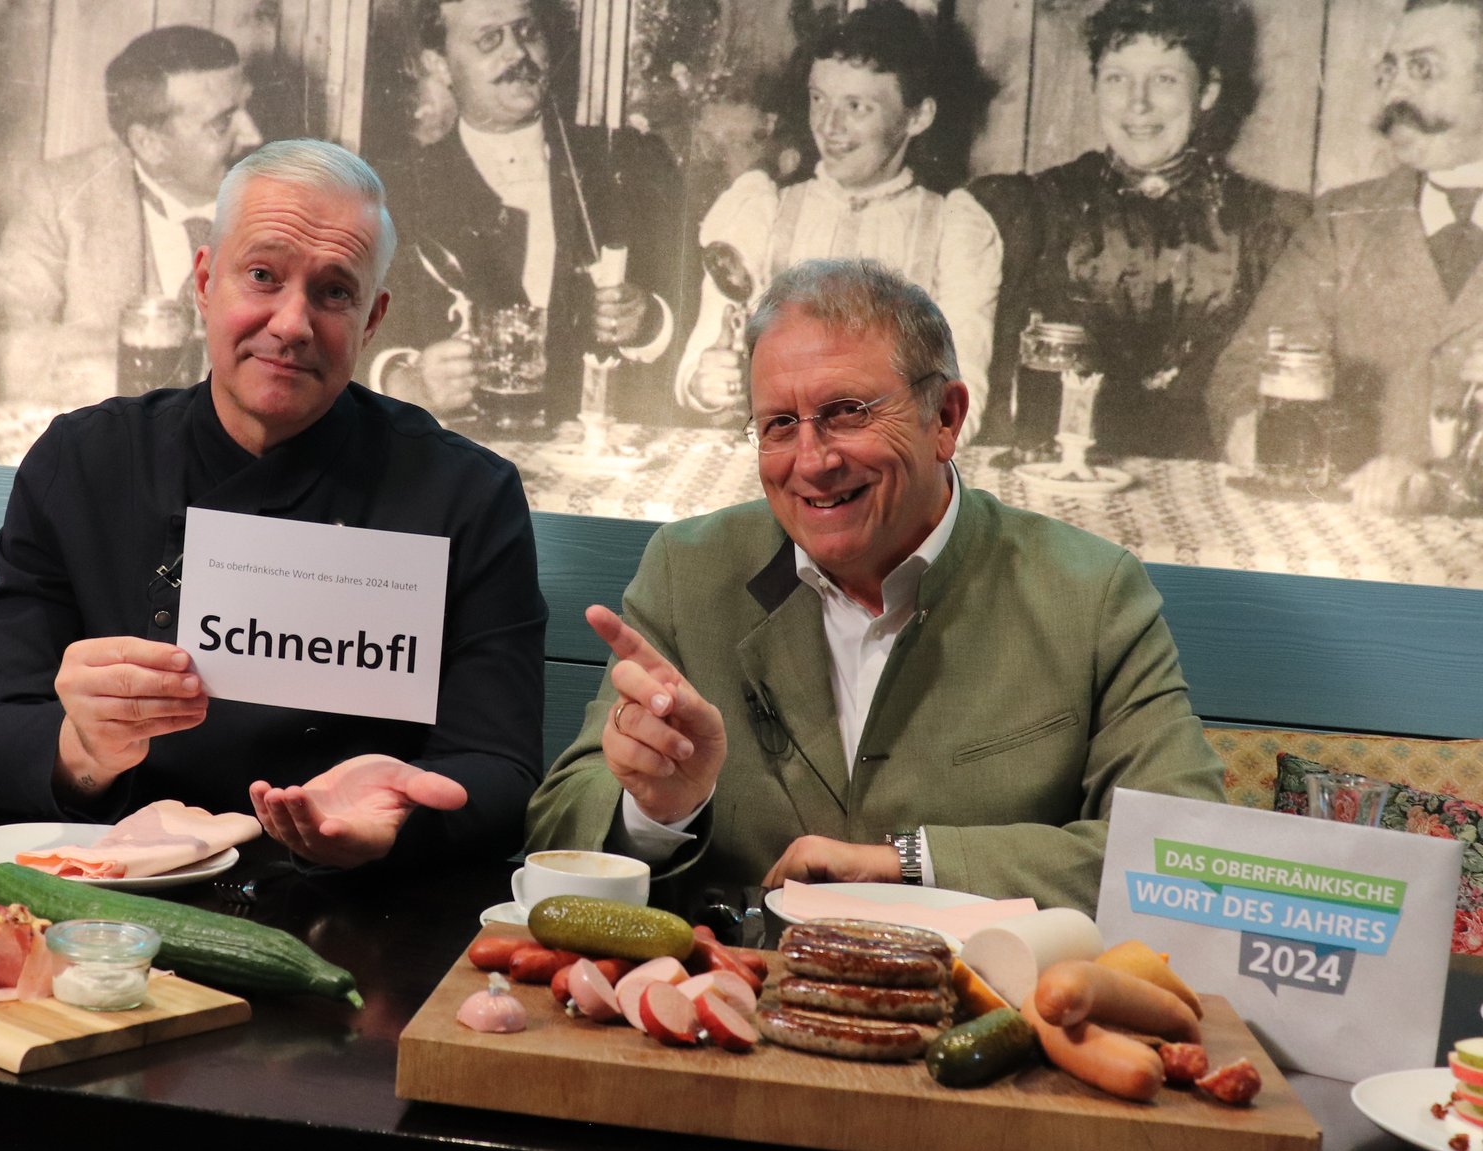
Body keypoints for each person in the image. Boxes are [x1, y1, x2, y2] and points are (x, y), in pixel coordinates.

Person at [524, 258, 1225, 912]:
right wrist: (659, 811)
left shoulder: (1091, 593)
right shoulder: (689, 570)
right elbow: (556, 828)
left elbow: (1185, 859)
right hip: (734, 1020)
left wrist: (909, 864)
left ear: (945, 418)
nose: (812, 460)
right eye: (778, 425)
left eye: (848, 412)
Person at [0, 139, 547, 869]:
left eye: (335, 291)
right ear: (204, 281)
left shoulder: (467, 496)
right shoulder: (81, 463)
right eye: (263, 275)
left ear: (371, 320)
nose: (293, 323)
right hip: (112, 885)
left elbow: (499, 767)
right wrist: (83, 748)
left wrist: (395, 819)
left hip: (353, 907)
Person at [974, 0, 1304, 461]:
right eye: (1117, 78)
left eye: (1164, 80)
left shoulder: (1268, 223)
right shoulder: (1035, 207)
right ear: (1095, 87)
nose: (1138, 103)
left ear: (1207, 91)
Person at [676, 1, 1000, 444]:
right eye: (819, 99)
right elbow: (700, 357)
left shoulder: (952, 229)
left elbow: (962, 405)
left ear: (917, 116)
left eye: (857, 106)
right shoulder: (762, 209)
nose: (829, 125)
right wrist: (707, 382)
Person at [1213, 0, 1483, 511]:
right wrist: (1252, 429)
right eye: (1389, 71)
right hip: (1346, 537)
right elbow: (1245, 366)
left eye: (1423, 69)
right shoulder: (1343, 221)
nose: (1396, 93)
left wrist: (1439, 488)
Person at [368, 0, 684, 427]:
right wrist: (404, 383)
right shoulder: (391, 192)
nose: (517, 53)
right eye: (489, 39)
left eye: (526, 32)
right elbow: (337, 345)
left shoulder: (625, 163)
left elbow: (695, 328)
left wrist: (649, 321)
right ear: (439, 65)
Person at [0, 26, 263, 406]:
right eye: (222, 123)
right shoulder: (63, 196)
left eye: (248, 107)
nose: (254, 135)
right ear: (148, 144)